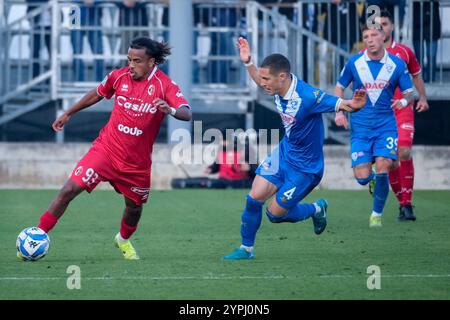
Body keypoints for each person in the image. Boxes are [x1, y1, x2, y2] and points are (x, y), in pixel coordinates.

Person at [20, 37, 192, 261]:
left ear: (151, 62)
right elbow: (97, 93)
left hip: (136, 164)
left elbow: (187, 113)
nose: (131, 65)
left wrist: (169, 110)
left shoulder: (164, 85)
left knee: (134, 209)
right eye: (129, 59)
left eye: (137, 61)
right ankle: (37, 236)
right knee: (69, 190)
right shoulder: (118, 76)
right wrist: (69, 112)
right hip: (106, 151)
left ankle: (122, 239)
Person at [223, 37, 367, 260]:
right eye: (263, 79)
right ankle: (246, 249)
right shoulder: (277, 87)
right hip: (284, 154)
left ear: (282, 77)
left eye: (267, 79)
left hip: (306, 169)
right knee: (253, 198)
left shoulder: (308, 96)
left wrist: (354, 105)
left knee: (275, 214)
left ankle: (317, 209)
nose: (264, 84)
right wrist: (248, 62)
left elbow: (342, 103)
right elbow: (259, 80)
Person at [334, 23, 414, 228]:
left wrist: (403, 102)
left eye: (373, 35)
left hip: (385, 125)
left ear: (383, 36)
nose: (369, 39)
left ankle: (376, 215)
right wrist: (340, 111)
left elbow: (411, 92)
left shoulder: (396, 64)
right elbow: (339, 87)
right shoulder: (355, 63)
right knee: (361, 177)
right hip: (360, 127)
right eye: (366, 36)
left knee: (384, 168)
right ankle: (370, 178)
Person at [71, 0, 105, 81]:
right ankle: (78, 82)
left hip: (93, 14)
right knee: (77, 52)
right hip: (75, 14)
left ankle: (100, 83)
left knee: (98, 52)